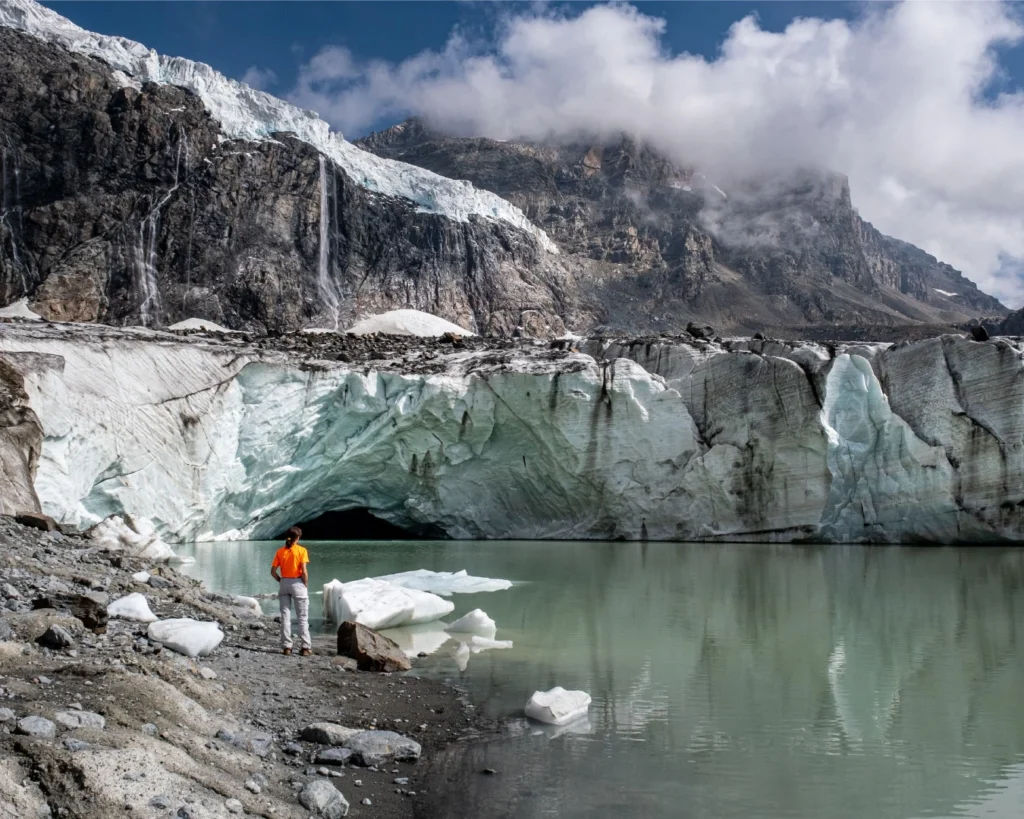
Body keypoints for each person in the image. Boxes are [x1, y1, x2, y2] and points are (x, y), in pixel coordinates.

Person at [270, 526, 311, 656]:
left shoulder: (280, 551)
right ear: (297, 538)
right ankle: (305, 647)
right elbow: (304, 571)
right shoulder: (301, 550)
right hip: (297, 582)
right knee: (302, 618)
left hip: (284, 583)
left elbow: (273, 572)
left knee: (285, 617)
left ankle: (287, 647)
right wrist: (305, 584)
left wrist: (281, 581)